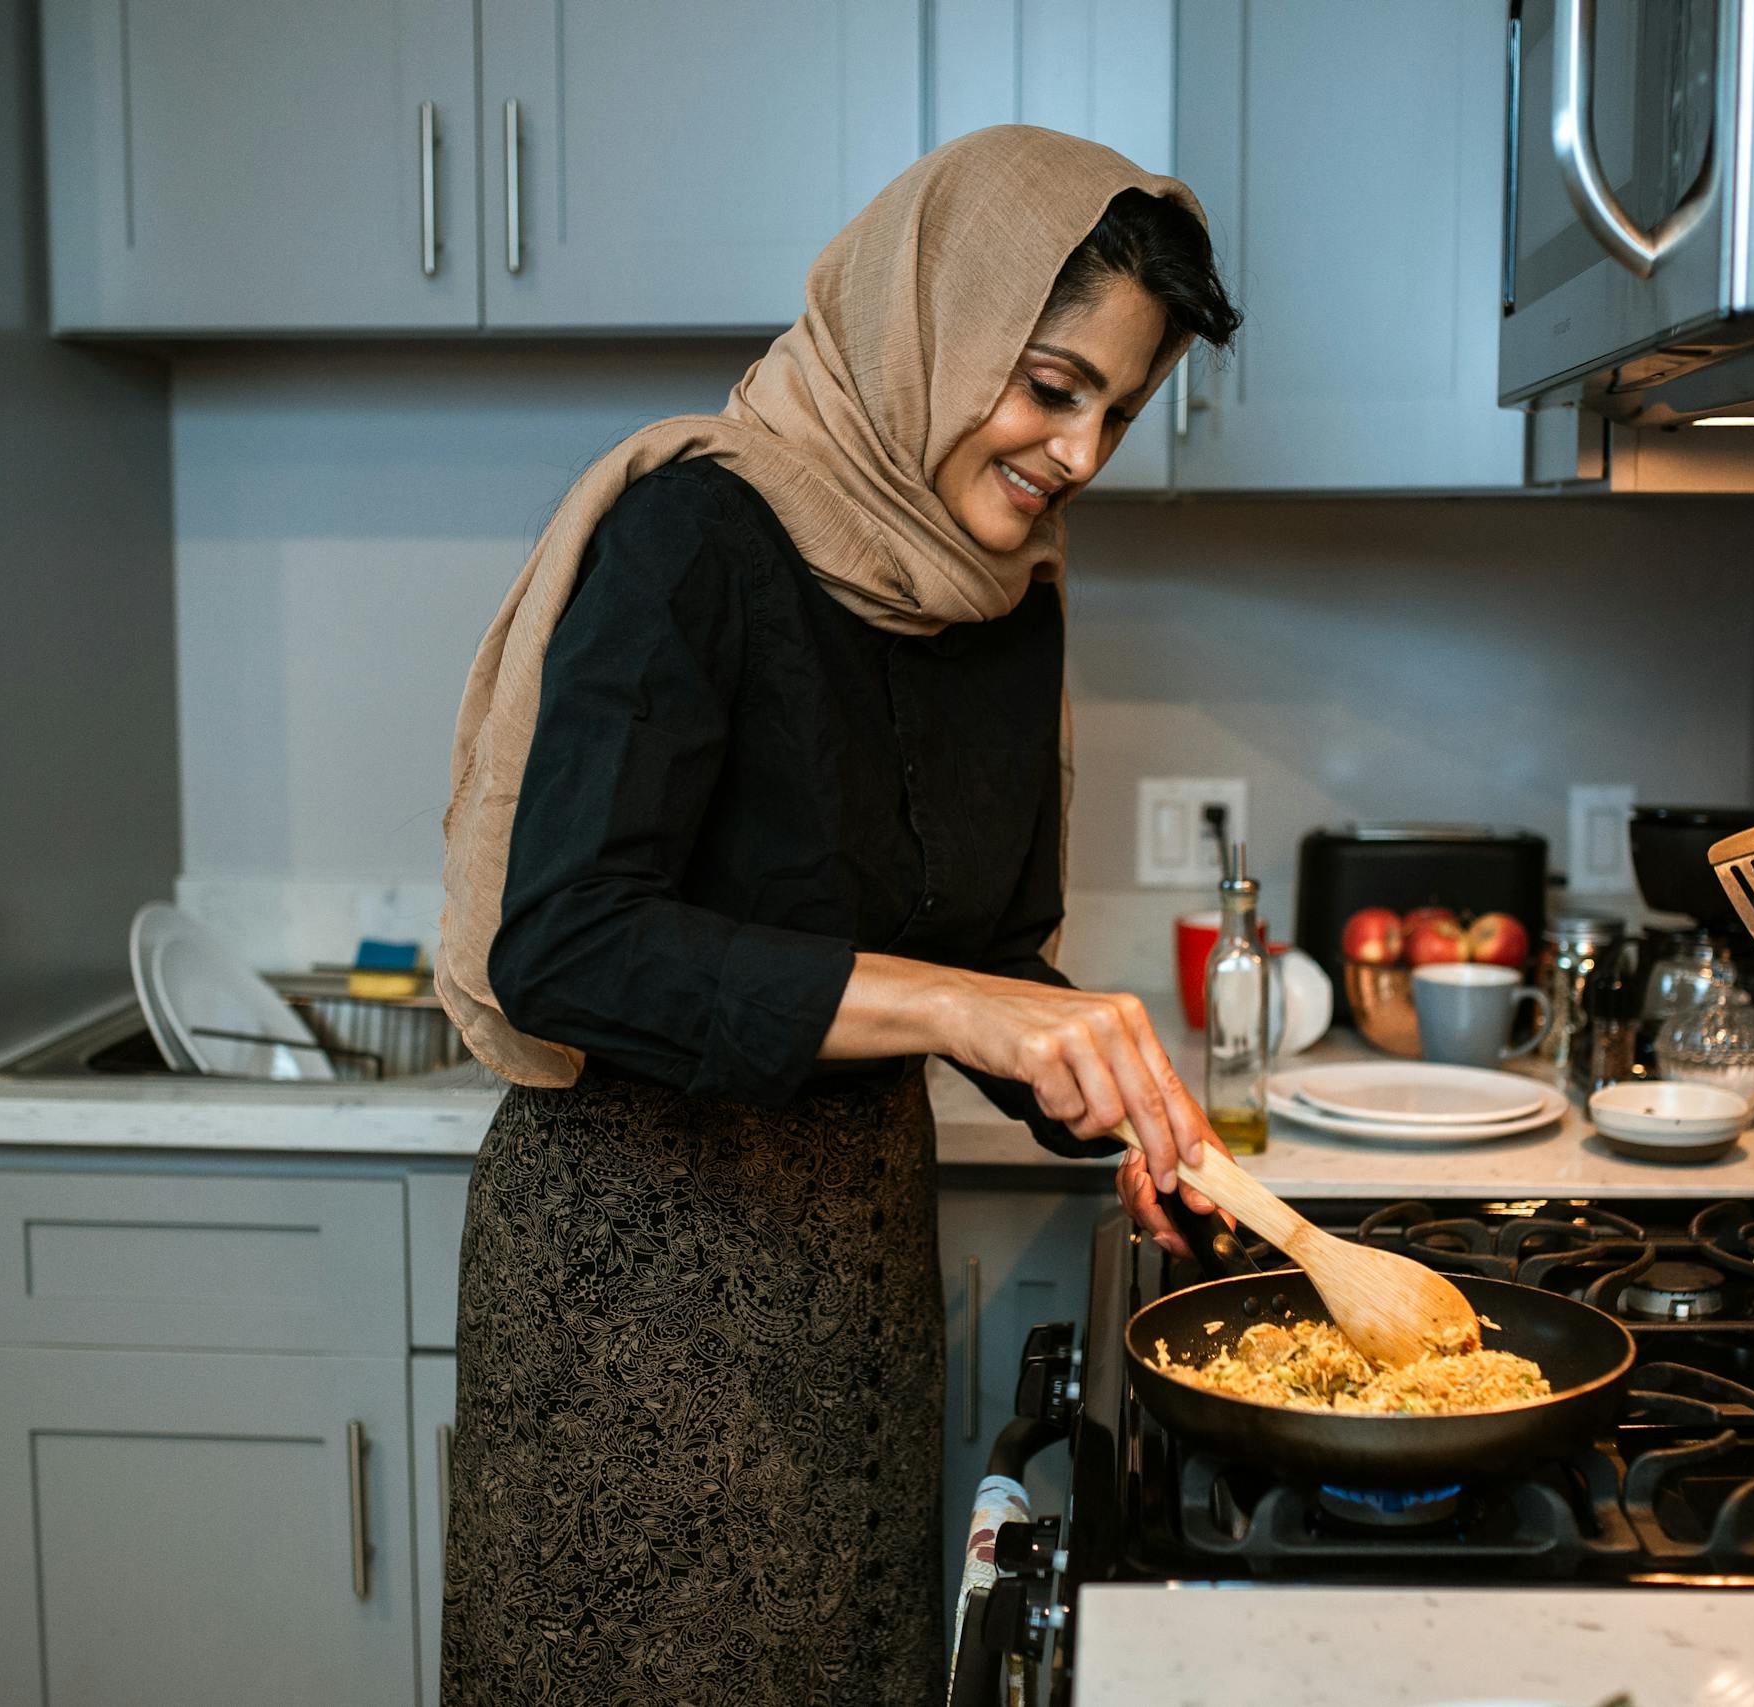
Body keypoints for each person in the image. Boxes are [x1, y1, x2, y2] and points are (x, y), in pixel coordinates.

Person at [432, 125, 1242, 1705]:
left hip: (854, 1264)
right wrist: (959, 1009)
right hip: (631, 1284)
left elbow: (993, 954)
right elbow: (567, 942)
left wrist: (1118, 1109)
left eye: (1119, 413)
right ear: (929, 323)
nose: (1077, 452)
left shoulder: (1009, 597)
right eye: (1050, 386)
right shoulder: (694, 533)